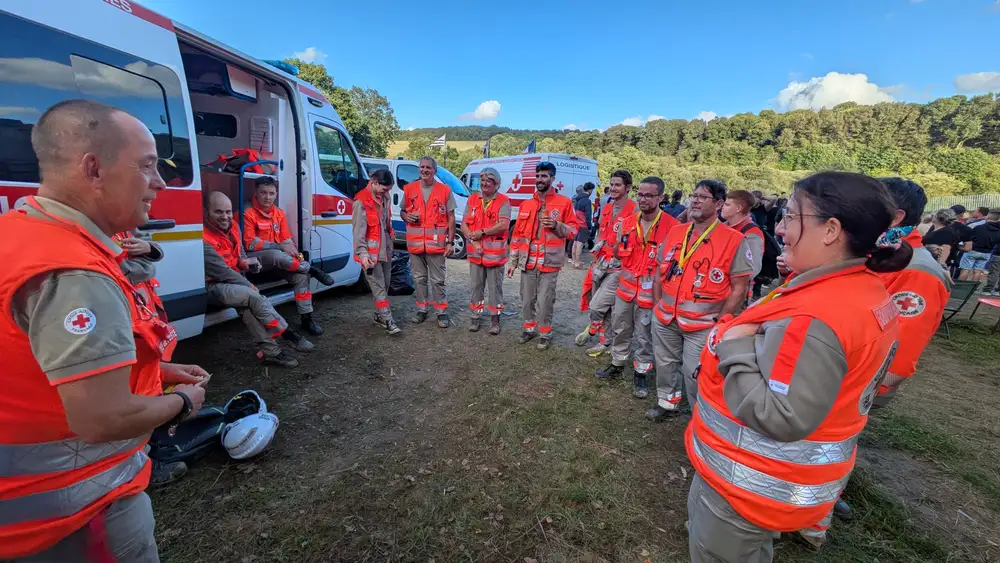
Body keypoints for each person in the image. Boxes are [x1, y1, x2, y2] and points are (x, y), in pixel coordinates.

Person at [0, 99, 209, 561]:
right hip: (73, 518)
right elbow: (102, 418)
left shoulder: (20, 235)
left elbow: (38, 364)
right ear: (93, 168)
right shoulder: (73, 272)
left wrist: (160, 370)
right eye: (148, 167)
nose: (160, 183)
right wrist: (181, 402)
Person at [685, 171, 910, 563]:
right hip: (773, 489)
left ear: (830, 230)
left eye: (790, 217)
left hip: (748, 486)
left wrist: (735, 346)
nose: (781, 228)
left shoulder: (816, 315)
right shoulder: (860, 289)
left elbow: (781, 414)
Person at [647, 179, 753, 422]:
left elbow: (739, 287)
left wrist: (721, 321)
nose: (694, 200)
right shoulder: (676, 232)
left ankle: (701, 419)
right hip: (666, 317)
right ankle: (667, 403)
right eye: (693, 195)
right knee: (665, 363)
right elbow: (658, 272)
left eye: (702, 197)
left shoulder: (734, 240)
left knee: (694, 372)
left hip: (703, 324)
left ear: (718, 204)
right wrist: (656, 305)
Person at [203, 191, 313, 367]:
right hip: (212, 287)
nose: (225, 217)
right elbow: (223, 272)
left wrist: (248, 263)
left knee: (248, 307)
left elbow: (240, 255)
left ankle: (272, 353)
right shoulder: (203, 237)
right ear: (206, 212)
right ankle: (288, 335)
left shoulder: (234, 227)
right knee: (252, 296)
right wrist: (250, 286)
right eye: (218, 212)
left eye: (228, 212)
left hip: (234, 282)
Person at [596, 177, 678, 397]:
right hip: (626, 287)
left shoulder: (673, 227)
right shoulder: (628, 222)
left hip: (650, 292)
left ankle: (641, 372)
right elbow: (616, 250)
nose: (643, 199)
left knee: (644, 335)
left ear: (661, 197)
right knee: (620, 327)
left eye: (649, 195)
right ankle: (617, 363)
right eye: (640, 194)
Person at [243, 176, 333, 335]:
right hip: (257, 262)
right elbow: (249, 243)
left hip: (279, 261)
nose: (267, 197)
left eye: (271, 193)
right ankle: (312, 270)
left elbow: (287, 239)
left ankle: (307, 319)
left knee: (300, 277)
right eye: (263, 193)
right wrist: (279, 246)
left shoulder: (279, 213)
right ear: (255, 193)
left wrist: (295, 254)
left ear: (276, 194)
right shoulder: (247, 212)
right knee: (276, 254)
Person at [506, 161, 578, 350]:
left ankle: (545, 333)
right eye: (537, 176)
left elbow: (573, 231)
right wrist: (512, 261)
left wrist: (556, 225)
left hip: (550, 262)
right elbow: (518, 235)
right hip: (527, 261)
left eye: (544, 176)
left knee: (545, 300)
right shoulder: (526, 204)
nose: (540, 179)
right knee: (527, 298)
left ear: (552, 179)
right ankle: (529, 329)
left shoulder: (564, 203)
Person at [575, 170, 638, 356]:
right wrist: (598, 248)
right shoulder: (608, 207)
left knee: (597, 305)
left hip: (619, 266)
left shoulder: (635, 210)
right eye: (612, 184)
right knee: (605, 308)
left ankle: (595, 330)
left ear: (627, 188)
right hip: (601, 262)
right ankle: (605, 342)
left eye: (618, 185)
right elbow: (602, 233)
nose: (613, 188)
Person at [401, 156, 456, 328]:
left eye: (428, 168)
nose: (424, 170)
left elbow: (451, 218)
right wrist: (406, 216)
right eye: (422, 167)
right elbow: (402, 211)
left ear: (435, 171)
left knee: (438, 280)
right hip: (415, 244)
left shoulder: (445, 190)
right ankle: (422, 309)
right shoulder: (409, 189)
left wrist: (450, 242)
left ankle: (441, 312)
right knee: (418, 279)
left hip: (437, 245)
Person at [461, 166, 511, 334]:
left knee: (495, 289)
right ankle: (475, 317)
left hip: (495, 256)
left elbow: (503, 225)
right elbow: (465, 224)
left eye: (488, 181)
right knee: (476, 287)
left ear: (496, 184)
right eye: (482, 180)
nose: (484, 184)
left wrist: (481, 233)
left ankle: (495, 321)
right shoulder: (473, 199)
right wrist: (473, 240)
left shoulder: (503, 201)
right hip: (476, 254)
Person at [353, 169, 401, 335]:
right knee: (379, 286)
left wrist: (391, 239)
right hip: (371, 255)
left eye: (388, 189)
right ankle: (388, 320)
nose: (386, 192)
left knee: (385, 285)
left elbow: (386, 223)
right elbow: (358, 234)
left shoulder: (385, 197)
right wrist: (363, 255)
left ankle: (380, 315)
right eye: (384, 188)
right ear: (373, 182)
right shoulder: (361, 202)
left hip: (385, 250)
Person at [721, 189, 764, 299]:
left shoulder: (752, 233)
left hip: (737, 294)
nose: (722, 207)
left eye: (727, 204)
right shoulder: (723, 227)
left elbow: (752, 270)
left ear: (738, 208)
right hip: (720, 290)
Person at [959, 209, 1000, 283]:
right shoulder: (998, 230)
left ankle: (960, 286)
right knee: (978, 271)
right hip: (987, 253)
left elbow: (971, 238)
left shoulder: (979, 227)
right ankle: (972, 288)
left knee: (965, 270)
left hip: (973, 250)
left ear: (987, 218)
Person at [571, 182, 595, 268]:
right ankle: (578, 263)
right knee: (580, 244)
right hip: (583, 225)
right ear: (590, 190)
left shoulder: (577, 199)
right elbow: (588, 215)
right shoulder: (587, 201)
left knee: (575, 243)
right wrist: (589, 226)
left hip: (576, 224)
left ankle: (574, 261)